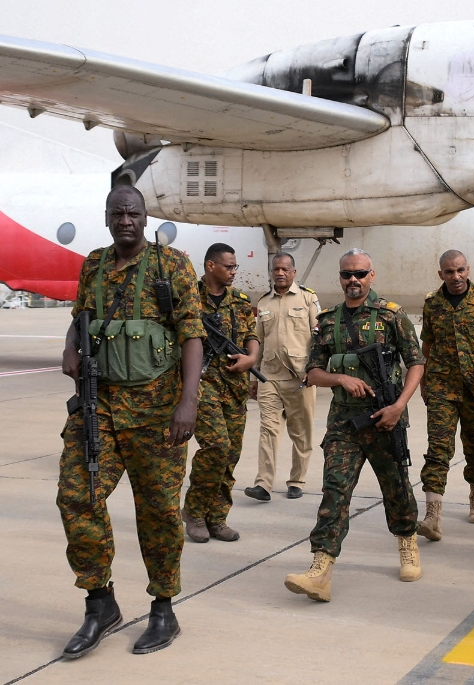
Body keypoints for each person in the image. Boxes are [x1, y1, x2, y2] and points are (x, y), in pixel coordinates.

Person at [57, 185, 204, 658]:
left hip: (157, 410)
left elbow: (192, 334)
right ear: (106, 219)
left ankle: (163, 607)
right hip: (99, 405)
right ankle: (99, 602)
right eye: (117, 213)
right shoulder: (94, 265)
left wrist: (188, 402)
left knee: (159, 509)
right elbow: (81, 317)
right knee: (76, 497)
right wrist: (70, 348)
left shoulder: (170, 265)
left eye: (133, 213)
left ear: (144, 218)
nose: (126, 220)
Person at [284, 249, 426, 601]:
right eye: (347, 274)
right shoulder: (329, 321)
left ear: (371, 276)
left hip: (385, 419)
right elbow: (312, 372)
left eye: (360, 274)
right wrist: (340, 379)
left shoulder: (391, 317)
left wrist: (399, 406)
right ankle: (321, 568)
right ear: (340, 277)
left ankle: (407, 541)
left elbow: (416, 363)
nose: (353, 280)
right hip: (345, 422)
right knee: (335, 490)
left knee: (396, 488)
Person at [417, 250, 474, 540]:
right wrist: (425, 379)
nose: (456, 277)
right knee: (438, 448)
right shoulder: (433, 304)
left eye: (460, 270)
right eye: (449, 272)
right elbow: (427, 345)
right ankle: (433, 514)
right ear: (440, 274)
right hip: (443, 386)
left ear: (468, 269)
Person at [183, 243, 259, 543]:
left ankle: (217, 517)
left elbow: (252, 335)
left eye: (235, 266)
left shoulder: (239, 301)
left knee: (230, 456)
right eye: (229, 266)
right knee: (216, 446)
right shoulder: (189, 298)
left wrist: (251, 358)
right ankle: (195, 512)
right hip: (203, 385)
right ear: (211, 266)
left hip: (234, 387)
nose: (234, 272)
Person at [245, 252, 320, 502]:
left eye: (285, 269)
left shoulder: (308, 298)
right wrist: (253, 378)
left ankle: (296, 480)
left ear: (293, 272)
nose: (280, 273)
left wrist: (314, 371)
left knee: (301, 433)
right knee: (268, 429)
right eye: (276, 269)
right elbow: (258, 341)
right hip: (270, 376)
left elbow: (318, 337)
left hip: (300, 378)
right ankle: (263, 484)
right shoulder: (264, 302)